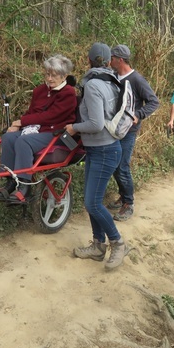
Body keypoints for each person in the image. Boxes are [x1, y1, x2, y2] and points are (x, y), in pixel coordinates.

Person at [65, 43, 128, 270]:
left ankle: (118, 243)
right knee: (92, 201)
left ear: (89, 59)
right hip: (103, 149)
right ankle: (98, 246)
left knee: (92, 202)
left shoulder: (92, 85)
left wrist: (73, 127)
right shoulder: (111, 80)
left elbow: (96, 123)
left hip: (103, 149)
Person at [0, 55, 77, 204]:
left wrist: (22, 121)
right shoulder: (40, 91)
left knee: (24, 141)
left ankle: (25, 187)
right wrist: (17, 125)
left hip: (56, 132)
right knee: (8, 137)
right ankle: (10, 181)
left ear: (64, 76)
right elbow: (32, 112)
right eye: (47, 74)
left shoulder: (68, 93)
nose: (50, 78)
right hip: (36, 130)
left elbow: (51, 116)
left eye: (54, 75)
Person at [107, 45, 159, 222]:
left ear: (120, 60)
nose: (110, 61)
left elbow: (153, 101)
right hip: (114, 128)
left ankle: (128, 203)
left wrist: (138, 115)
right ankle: (123, 195)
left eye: (112, 58)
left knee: (122, 166)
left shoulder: (136, 79)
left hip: (129, 131)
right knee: (115, 165)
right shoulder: (114, 76)